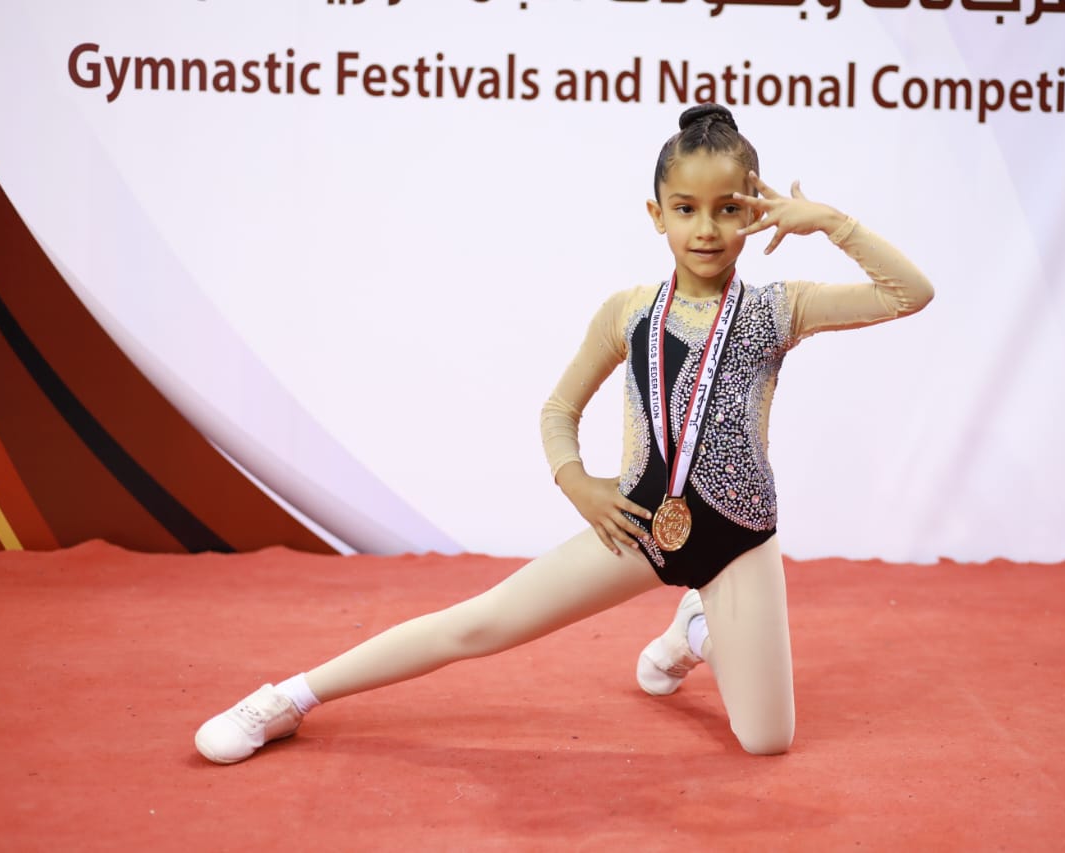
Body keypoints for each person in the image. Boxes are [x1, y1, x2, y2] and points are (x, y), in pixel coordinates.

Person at [194, 103, 933, 764]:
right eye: (686, 209)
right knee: (478, 624)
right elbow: (557, 411)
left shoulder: (779, 309)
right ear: (657, 215)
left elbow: (910, 293)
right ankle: (288, 697)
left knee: (766, 740)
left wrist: (830, 222)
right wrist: (576, 482)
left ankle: (696, 630)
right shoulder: (629, 313)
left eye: (729, 209)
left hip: (738, 539)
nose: (706, 229)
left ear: (755, 212)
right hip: (635, 526)